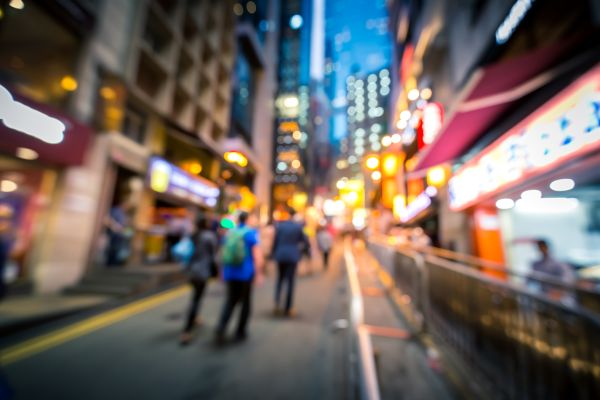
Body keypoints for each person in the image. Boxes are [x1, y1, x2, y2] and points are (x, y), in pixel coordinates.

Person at [215, 211, 264, 344]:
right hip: (245, 273)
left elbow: (221, 254)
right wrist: (259, 274)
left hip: (230, 272)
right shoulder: (251, 233)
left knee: (230, 301)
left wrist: (222, 273)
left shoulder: (230, 232)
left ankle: (221, 327)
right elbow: (257, 256)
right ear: (247, 219)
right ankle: (240, 331)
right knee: (246, 302)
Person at [180, 215, 218, 345]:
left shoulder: (192, 235)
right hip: (202, 272)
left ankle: (195, 318)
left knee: (195, 296)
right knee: (197, 298)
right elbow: (213, 256)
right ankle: (187, 331)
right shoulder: (209, 236)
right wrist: (216, 271)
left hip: (191, 270)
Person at [271, 208, 310, 316]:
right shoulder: (298, 227)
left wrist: (273, 253)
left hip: (280, 255)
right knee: (290, 282)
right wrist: (304, 252)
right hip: (292, 256)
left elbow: (275, 241)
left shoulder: (280, 226)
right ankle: (288, 307)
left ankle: (277, 303)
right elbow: (305, 242)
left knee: (280, 279)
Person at [105, 199, 132, 266]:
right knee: (113, 248)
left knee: (118, 249)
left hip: (120, 234)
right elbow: (108, 219)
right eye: (126, 206)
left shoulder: (123, 213)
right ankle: (110, 263)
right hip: (114, 233)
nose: (127, 207)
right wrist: (115, 227)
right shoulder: (115, 210)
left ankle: (115, 263)